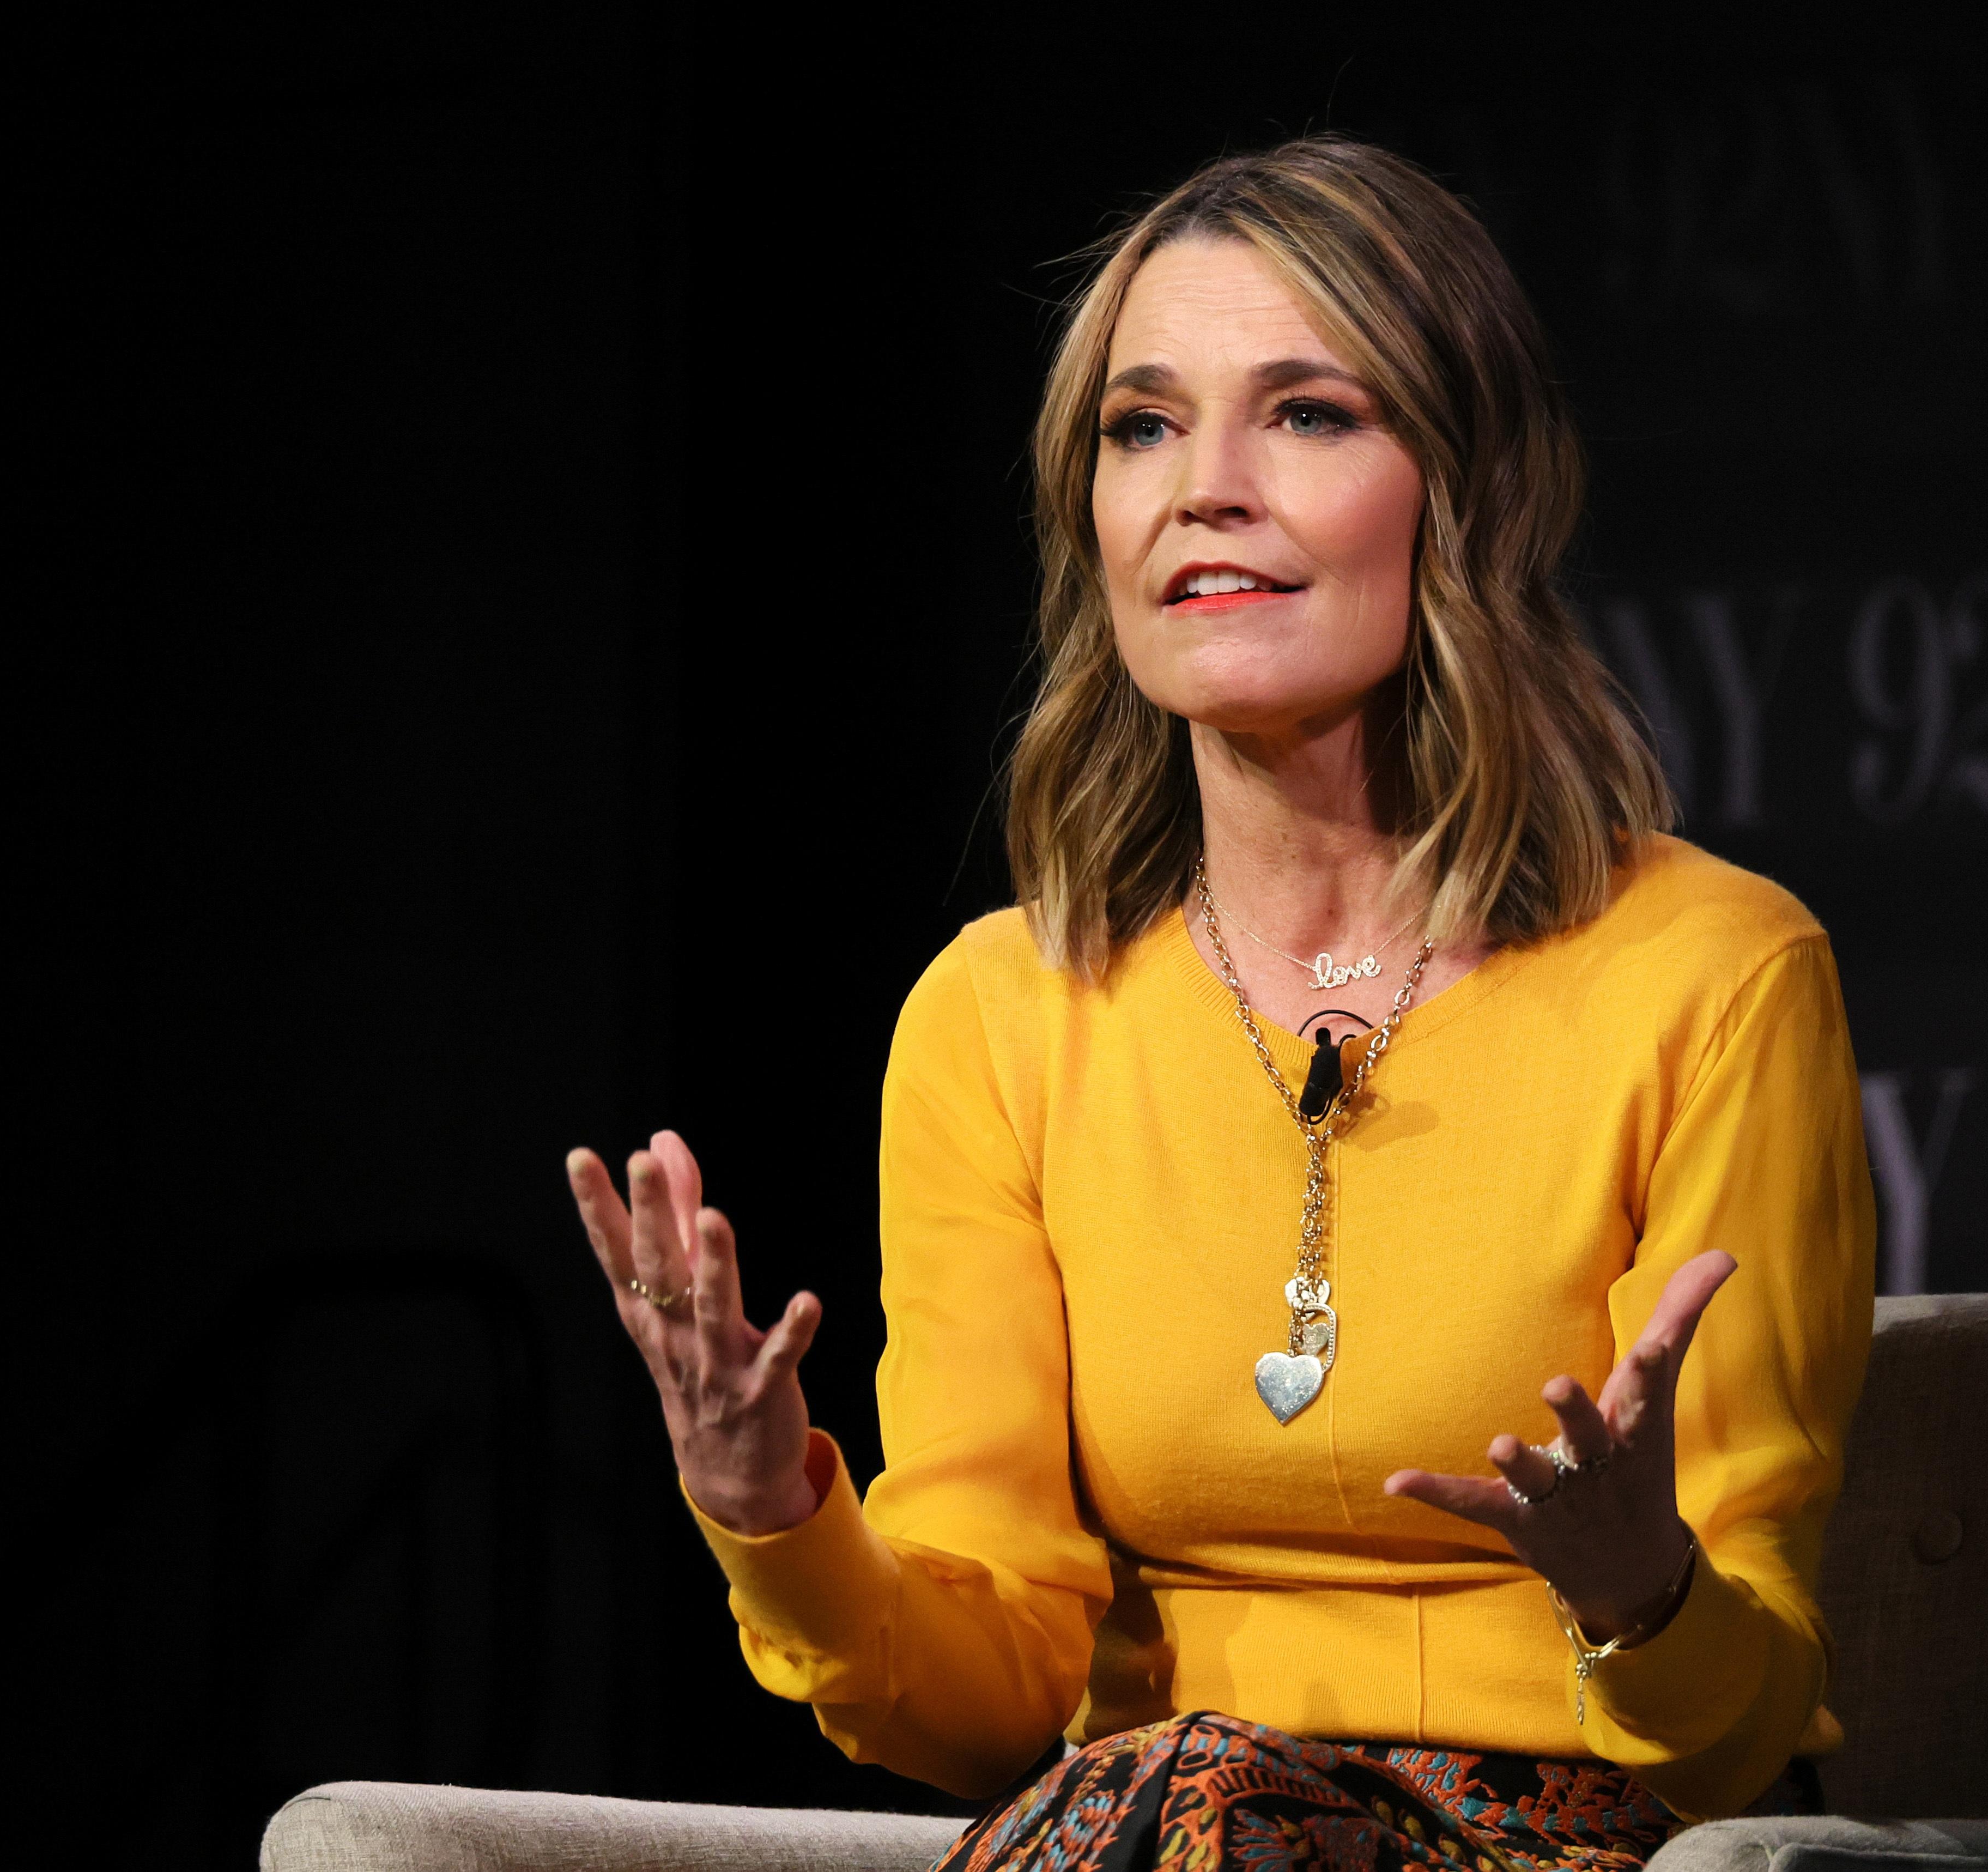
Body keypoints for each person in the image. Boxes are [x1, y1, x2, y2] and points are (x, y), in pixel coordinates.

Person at [566, 136, 1873, 1872]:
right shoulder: (1001, 1013)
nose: (1204, 486)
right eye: (1142, 425)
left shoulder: (1708, 976)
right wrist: (769, 1512)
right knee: (1176, 1804)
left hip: (1581, 1828)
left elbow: (1737, 1726)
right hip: (1148, 1823)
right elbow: (982, 1697)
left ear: (1460, 486)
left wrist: (1640, 1582)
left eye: (1308, 414)